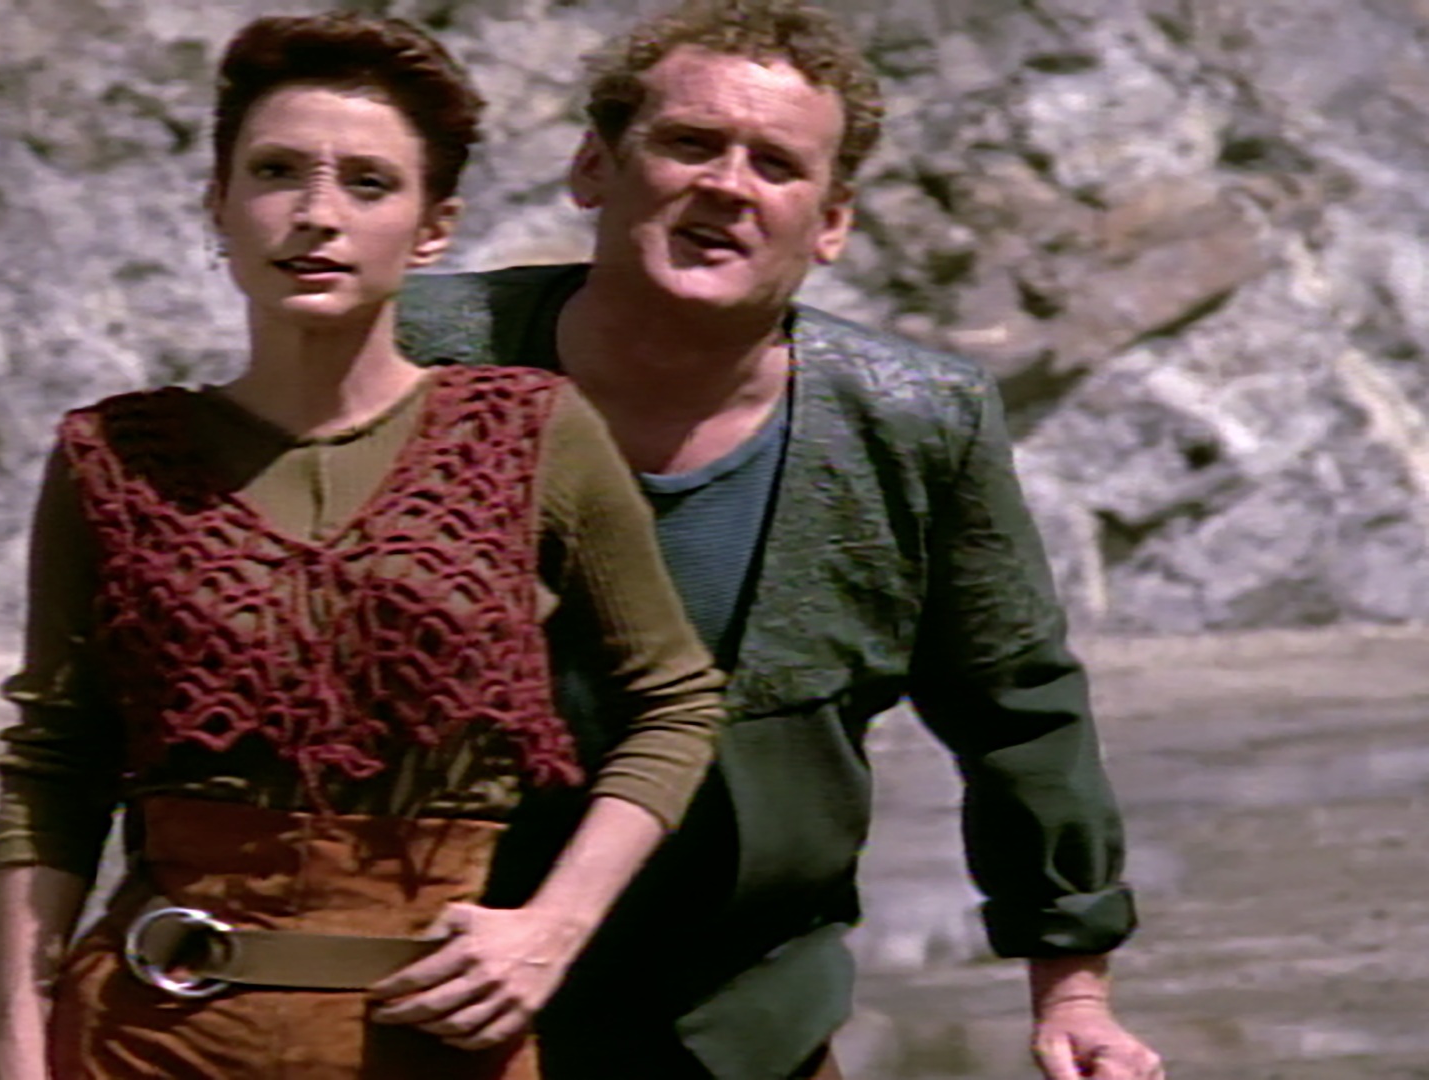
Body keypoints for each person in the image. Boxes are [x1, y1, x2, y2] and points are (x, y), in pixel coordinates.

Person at [391, 1, 1166, 1078]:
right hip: (421, 992)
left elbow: (1018, 709)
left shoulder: (911, 424)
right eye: (690, 143)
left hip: (737, 1024)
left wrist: (1073, 989)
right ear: (593, 168)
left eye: (776, 164)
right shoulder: (415, 362)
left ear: (830, 222)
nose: (728, 185)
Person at [0, 13, 726, 1080]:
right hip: (149, 1036)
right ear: (219, 206)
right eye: (276, 172)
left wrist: (553, 926)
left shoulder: (528, 433)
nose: (316, 215)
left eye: (369, 184)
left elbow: (676, 701)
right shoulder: (114, 457)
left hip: (434, 1034)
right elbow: (57, 761)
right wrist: (16, 1028)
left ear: (432, 228)